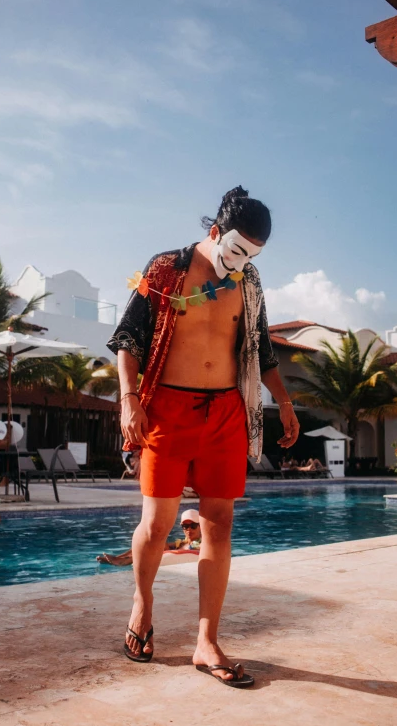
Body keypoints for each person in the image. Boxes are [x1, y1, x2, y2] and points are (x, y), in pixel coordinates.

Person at [107, 185, 299, 687]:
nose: (241, 262)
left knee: (219, 522)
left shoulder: (248, 279)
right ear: (214, 232)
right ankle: (142, 605)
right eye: (237, 250)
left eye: (252, 255)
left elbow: (260, 347)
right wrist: (129, 400)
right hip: (168, 409)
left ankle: (206, 639)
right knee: (156, 522)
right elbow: (128, 338)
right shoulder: (166, 267)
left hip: (227, 413)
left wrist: (284, 401)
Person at [97, 508, 202, 566]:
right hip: (174, 553)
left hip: (175, 556)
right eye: (185, 526)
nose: (188, 529)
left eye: (193, 526)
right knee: (151, 543)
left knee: (155, 549)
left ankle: (124, 561)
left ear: (200, 526)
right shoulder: (183, 542)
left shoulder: (202, 542)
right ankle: (118, 558)